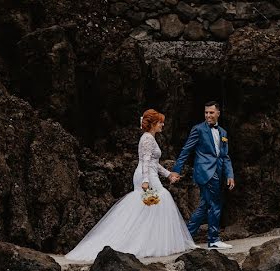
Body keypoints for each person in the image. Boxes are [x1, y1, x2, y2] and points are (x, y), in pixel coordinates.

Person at [65, 109, 196, 261]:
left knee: (150, 208)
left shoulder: (150, 138)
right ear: (153, 124)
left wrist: (168, 174)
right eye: (160, 122)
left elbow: (154, 163)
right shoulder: (147, 138)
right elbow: (146, 161)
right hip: (146, 175)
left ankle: (149, 242)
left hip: (149, 173)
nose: (163, 124)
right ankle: (141, 242)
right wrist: (146, 180)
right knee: (159, 200)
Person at [169, 101, 236, 250]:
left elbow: (225, 156)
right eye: (206, 113)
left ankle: (185, 238)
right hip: (205, 172)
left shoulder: (223, 133)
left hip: (218, 172)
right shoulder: (198, 129)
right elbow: (186, 150)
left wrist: (229, 174)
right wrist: (176, 170)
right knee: (215, 204)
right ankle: (213, 239)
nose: (208, 115)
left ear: (218, 113)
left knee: (205, 205)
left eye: (211, 113)